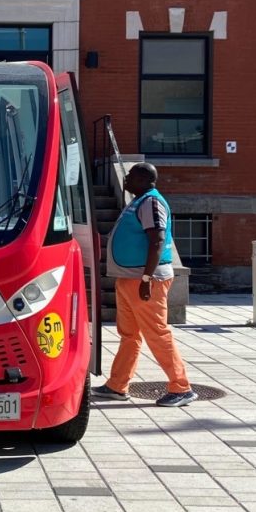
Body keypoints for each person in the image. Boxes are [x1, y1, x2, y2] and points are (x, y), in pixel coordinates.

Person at [93, 162, 197, 407]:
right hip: (129, 279)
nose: (126, 179)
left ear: (142, 179)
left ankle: (181, 387)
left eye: (130, 176)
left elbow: (158, 239)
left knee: (157, 333)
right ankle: (117, 386)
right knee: (129, 335)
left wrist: (147, 279)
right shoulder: (139, 201)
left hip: (145, 280)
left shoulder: (151, 202)